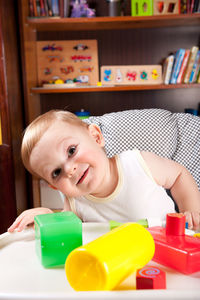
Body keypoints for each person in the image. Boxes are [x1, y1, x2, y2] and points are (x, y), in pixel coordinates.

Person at [8, 110, 200, 233]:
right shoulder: (74, 202)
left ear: (96, 136)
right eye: (56, 172)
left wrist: (192, 211)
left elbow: (179, 175)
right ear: (53, 186)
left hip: (168, 252)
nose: (69, 169)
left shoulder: (139, 163)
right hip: (117, 268)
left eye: (71, 151)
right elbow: (68, 233)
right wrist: (47, 217)